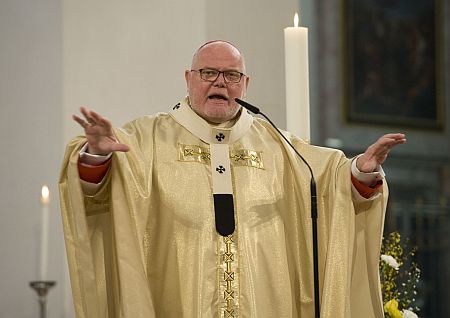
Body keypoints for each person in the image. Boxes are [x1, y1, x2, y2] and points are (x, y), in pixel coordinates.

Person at [59, 40, 406, 318]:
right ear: (188, 78)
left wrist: (362, 169)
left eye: (231, 75)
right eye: (208, 73)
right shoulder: (146, 138)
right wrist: (98, 155)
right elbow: (99, 191)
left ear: (246, 84)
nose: (220, 82)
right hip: (175, 299)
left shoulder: (281, 146)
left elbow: (333, 181)